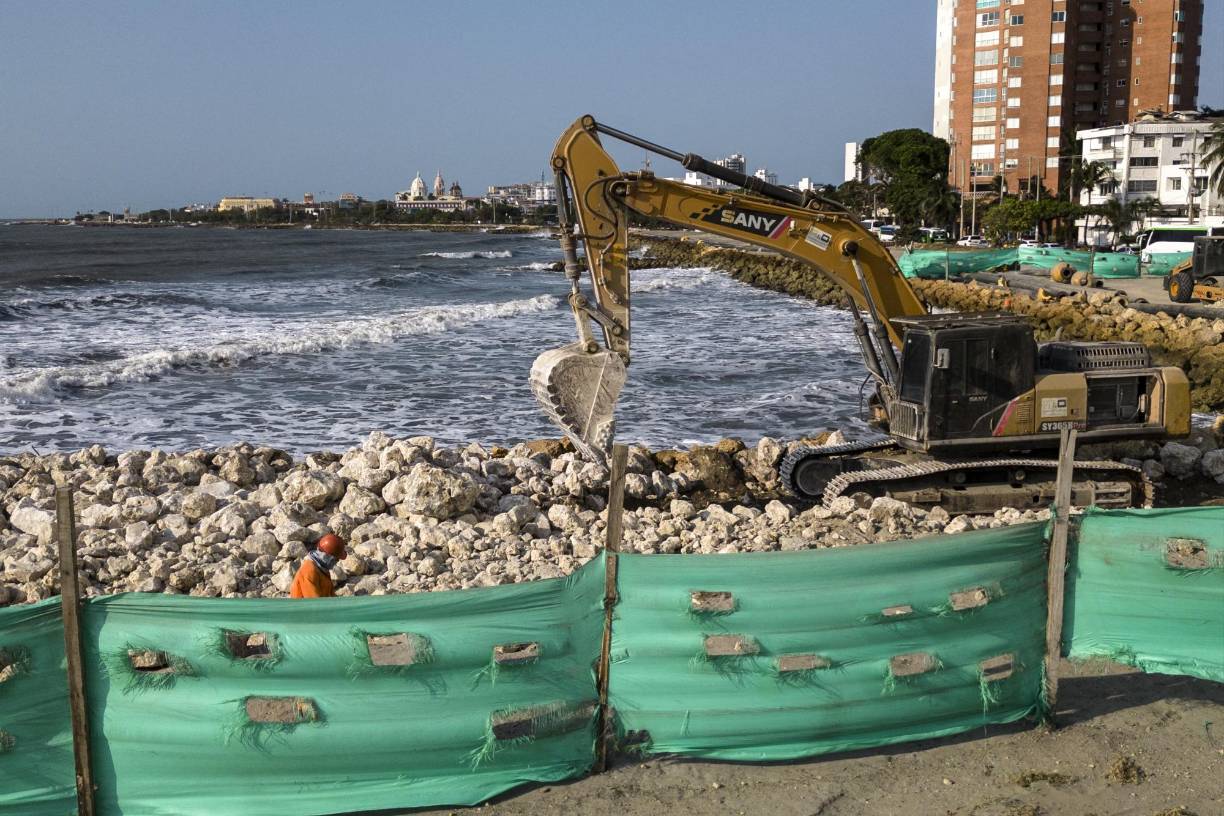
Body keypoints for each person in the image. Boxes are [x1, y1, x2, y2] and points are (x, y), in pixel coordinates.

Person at [290, 533, 346, 598]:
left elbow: (330, 595)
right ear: (327, 556)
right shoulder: (309, 570)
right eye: (336, 559)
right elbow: (313, 601)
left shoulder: (321, 568)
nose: (336, 562)